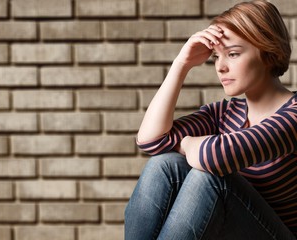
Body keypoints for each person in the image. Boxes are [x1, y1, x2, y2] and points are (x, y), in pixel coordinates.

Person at [124, 1, 296, 239]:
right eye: (216, 56)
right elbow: (151, 142)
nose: (221, 67)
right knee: (163, 165)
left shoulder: (294, 113)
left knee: (208, 176)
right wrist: (181, 65)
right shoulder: (225, 113)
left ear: (268, 53)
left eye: (233, 54)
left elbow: (212, 157)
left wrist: (185, 143)